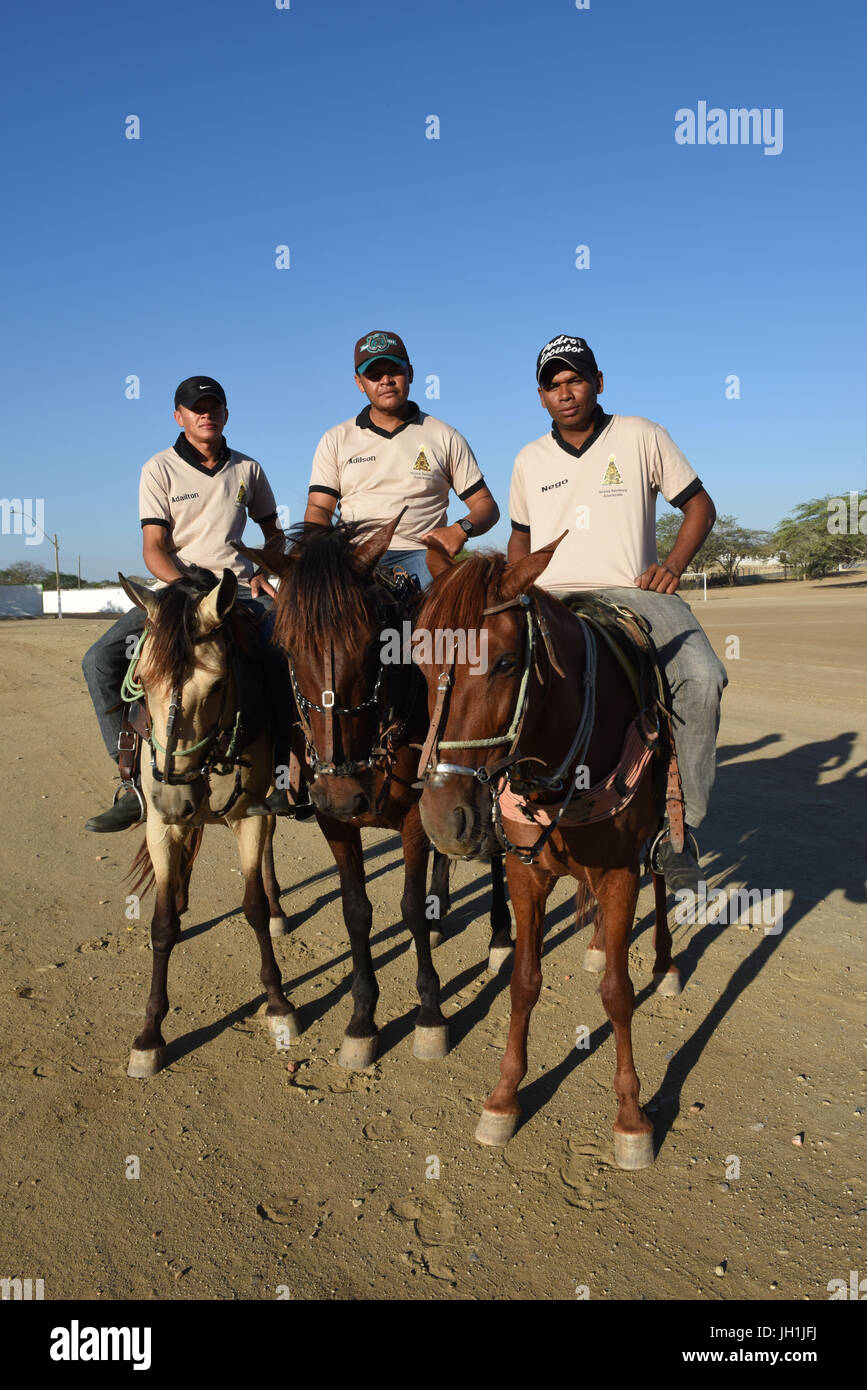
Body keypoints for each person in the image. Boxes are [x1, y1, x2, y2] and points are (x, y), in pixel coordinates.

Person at [507, 334, 728, 891]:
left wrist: (673, 566)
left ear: (598, 382)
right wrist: (518, 593)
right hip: (552, 600)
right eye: (553, 385)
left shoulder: (641, 435)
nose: (566, 392)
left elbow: (699, 505)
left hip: (636, 594)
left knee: (702, 677)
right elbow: (520, 540)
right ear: (541, 397)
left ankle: (680, 834)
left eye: (575, 379)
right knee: (490, 674)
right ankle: (497, 810)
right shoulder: (529, 459)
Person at [82, 376, 292, 831]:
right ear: (179, 416)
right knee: (99, 659)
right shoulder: (158, 469)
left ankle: (284, 777)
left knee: (285, 656)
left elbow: (273, 532)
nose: (206, 413)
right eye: (196, 407)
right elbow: (153, 548)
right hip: (178, 593)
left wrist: (260, 568)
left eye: (214, 406)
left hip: (235, 592)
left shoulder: (248, 470)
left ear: (225, 414)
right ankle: (130, 784)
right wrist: (186, 588)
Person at [304, 330, 500, 586]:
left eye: (394, 371)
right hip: (355, 556)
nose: (385, 380)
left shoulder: (444, 435)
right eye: (374, 375)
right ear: (359, 383)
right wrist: (320, 557)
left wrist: (459, 529)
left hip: (424, 555)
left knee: (472, 609)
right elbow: (318, 511)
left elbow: (486, 505)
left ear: (410, 373)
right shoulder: (336, 439)